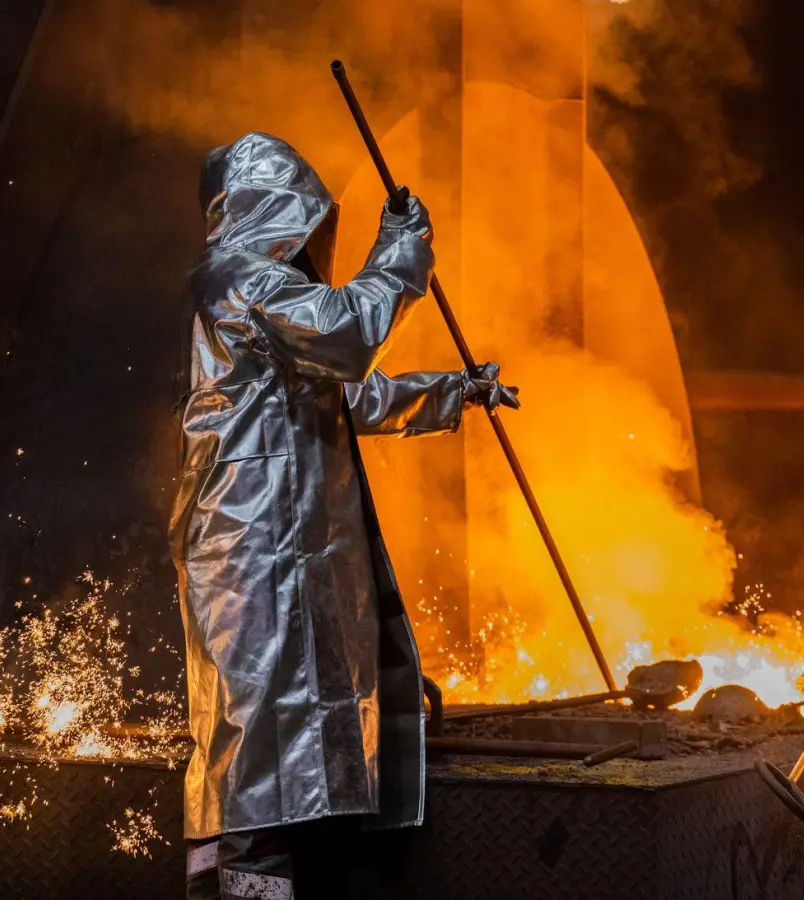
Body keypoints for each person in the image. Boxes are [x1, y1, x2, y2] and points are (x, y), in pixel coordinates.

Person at [170, 132, 517, 900]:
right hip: (250, 546)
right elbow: (348, 332)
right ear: (271, 213)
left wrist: (457, 391)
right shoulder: (233, 278)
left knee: (283, 752)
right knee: (255, 750)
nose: (312, 239)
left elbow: (352, 394)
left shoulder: (268, 303)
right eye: (303, 218)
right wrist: (400, 253)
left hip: (283, 547)